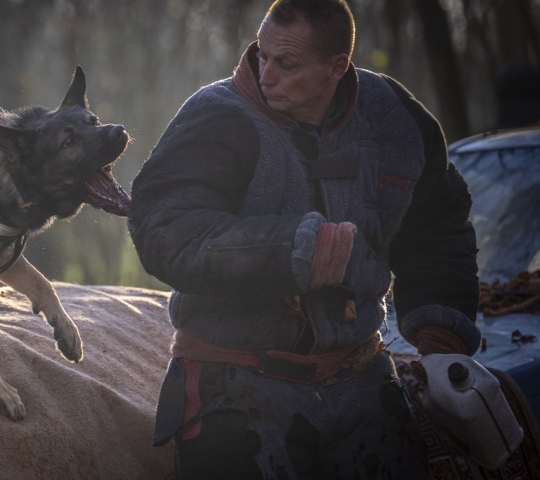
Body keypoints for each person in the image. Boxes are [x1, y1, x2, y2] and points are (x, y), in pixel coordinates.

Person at [127, 0, 481, 478]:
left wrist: (441, 341)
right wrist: (300, 250)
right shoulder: (215, 116)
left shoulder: (396, 118)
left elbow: (439, 229)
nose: (265, 74)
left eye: (286, 64)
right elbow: (164, 233)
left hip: (363, 380)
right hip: (233, 385)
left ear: (337, 67)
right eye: (262, 55)